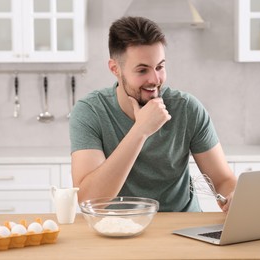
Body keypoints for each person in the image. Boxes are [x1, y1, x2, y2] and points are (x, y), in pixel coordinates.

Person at [69, 16, 237, 212]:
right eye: (142, 70)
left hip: (182, 227)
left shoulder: (187, 108)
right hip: (118, 228)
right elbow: (87, 198)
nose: (155, 79)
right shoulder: (90, 112)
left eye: (160, 67)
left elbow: (223, 179)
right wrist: (140, 131)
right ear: (115, 69)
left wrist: (234, 194)